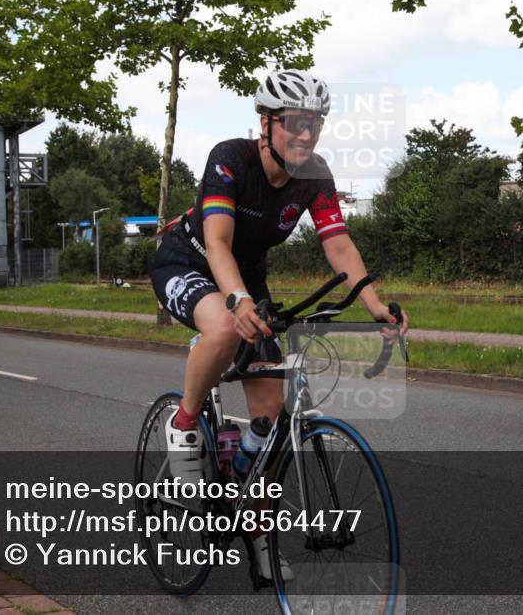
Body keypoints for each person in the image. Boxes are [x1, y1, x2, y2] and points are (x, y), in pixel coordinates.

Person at [149, 69, 408, 580]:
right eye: (294, 123)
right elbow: (218, 242)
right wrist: (238, 299)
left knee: (270, 420)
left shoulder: (315, 174)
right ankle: (183, 424)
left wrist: (373, 303)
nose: (305, 135)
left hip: (248, 277)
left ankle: (251, 522)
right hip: (189, 261)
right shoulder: (231, 159)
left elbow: (337, 243)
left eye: (314, 124)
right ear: (266, 123)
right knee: (224, 328)